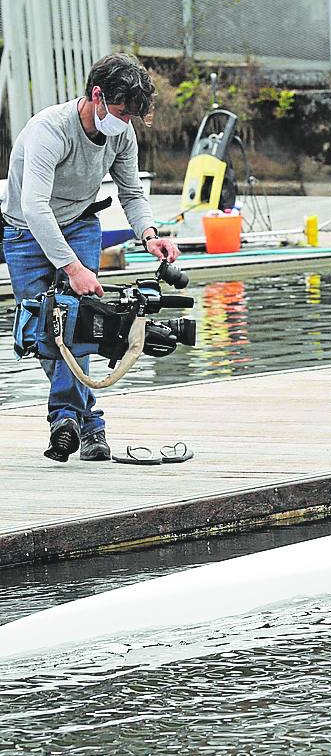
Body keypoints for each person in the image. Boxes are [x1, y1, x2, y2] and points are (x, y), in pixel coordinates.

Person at [2, 53, 180, 463]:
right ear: (97, 96)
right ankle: (91, 424)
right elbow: (35, 208)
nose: (126, 122)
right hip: (25, 230)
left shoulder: (121, 134)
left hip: (81, 223)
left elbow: (132, 194)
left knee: (79, 323)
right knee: (44, 332)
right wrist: (73, 268)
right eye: (121, 111)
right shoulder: (50, 131)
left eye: (132, 115)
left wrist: (149, 235)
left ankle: (65, 420)